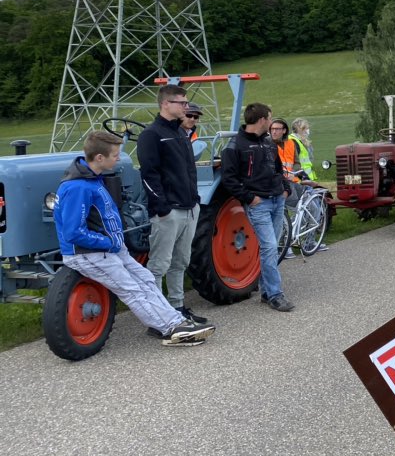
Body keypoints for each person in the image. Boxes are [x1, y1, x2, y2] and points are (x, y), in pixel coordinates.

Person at [52, 130, 215, 348]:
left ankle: (176, 321)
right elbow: (73, 232)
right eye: (114, 154)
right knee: (132, 289)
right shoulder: (77, 187)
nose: (118, 158)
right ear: (99, 157)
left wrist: (114, 245)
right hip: (89, 253)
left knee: (146, 279)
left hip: (111, 249)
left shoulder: (93, 180)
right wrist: (108, 243)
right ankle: (170, 331)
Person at [137, 84, 205, 324]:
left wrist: (195, 201)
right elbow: (149, 174)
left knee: (180, 262)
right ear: (166, 103)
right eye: (182, 103)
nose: (186, 107)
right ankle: (157, 317)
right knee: (159, 265)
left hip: (189, 208)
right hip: (169, 212)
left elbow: (189, 171)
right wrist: (163, 208)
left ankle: (178, 308)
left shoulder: (181, 133)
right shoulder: (152, 135)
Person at [221, 103, 295, 312]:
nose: (272, 123)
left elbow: (279, 169)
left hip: (277, 200)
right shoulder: (235, 146)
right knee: (270, 247)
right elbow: (229, 178)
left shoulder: (269, 144)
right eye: (270, 119)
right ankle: (275, 294)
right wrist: (250, 198)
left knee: (271, 247)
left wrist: (285, 188)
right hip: (259, 204)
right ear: (262, 120)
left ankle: (265, 291)